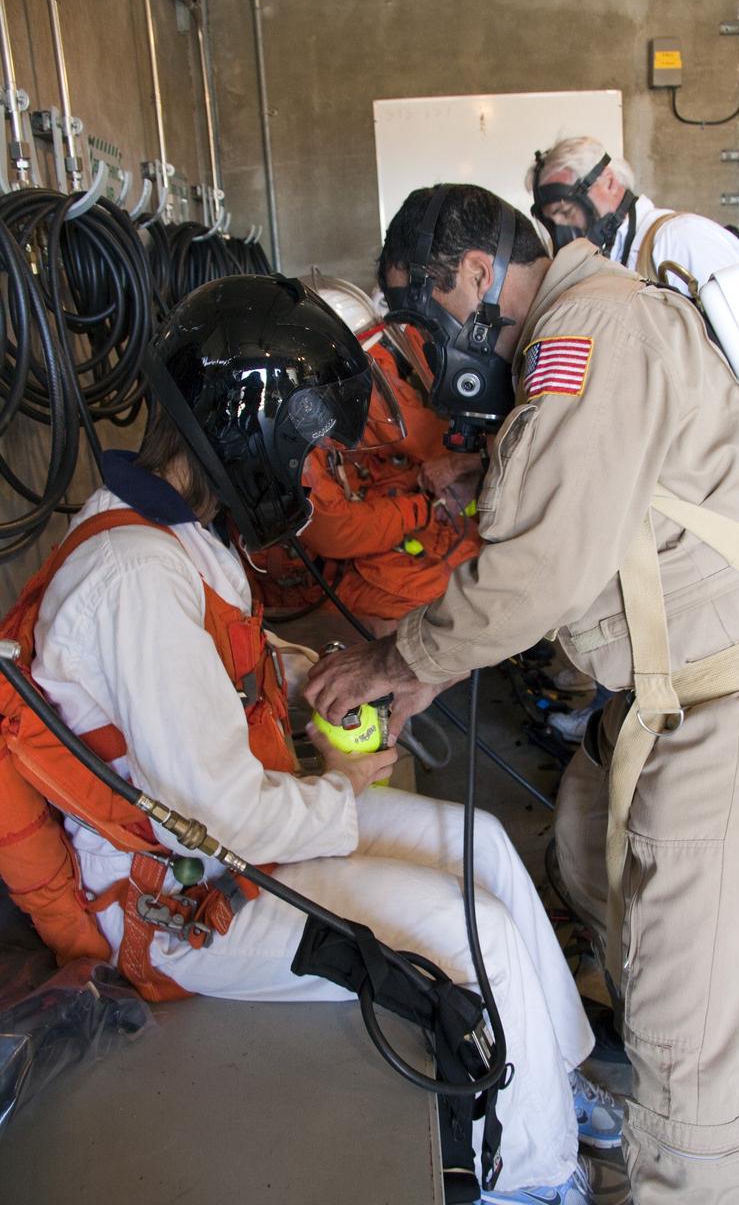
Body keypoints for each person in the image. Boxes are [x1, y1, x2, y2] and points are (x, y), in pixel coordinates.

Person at [21, 274, 625, 1205]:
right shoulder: (133, 577)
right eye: (303, 449)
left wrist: (311, 675)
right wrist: (341, 790)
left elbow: (218, 669)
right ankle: (534, 1179)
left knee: (482, 846)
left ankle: (549, 1071)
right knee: (471, 938)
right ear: (248, 436)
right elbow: (215, 820)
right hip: (177, 907)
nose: (310, 471)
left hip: (228, 851)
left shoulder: (179, 538)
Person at [305, 184, 739, 1205]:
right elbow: (572, 496)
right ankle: (644, 1029)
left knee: (692, 1036)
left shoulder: (586, 331)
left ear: (475, 274)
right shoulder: (579, 330)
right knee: (584, 836)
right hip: (669, 686)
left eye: (424, 309)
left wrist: (400, 663)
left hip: (736, 701)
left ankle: (683, 1162)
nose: (428, 340)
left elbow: (538, 567)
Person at [244, 276, 482, 630]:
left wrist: (451, 471)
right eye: (374, 365)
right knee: (451, 594)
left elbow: (404, 448)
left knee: (473, 564)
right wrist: (422, 507)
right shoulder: (291, 430)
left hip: (365, 540)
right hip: (315, 580)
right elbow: (337, 531)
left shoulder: (333, 415)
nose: (382, 375)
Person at [526, 135, 739, 297]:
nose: (563, 230)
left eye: (566, 212)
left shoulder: (680, 238)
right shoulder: (608, 258)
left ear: (609, 182)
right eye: (552, 223)